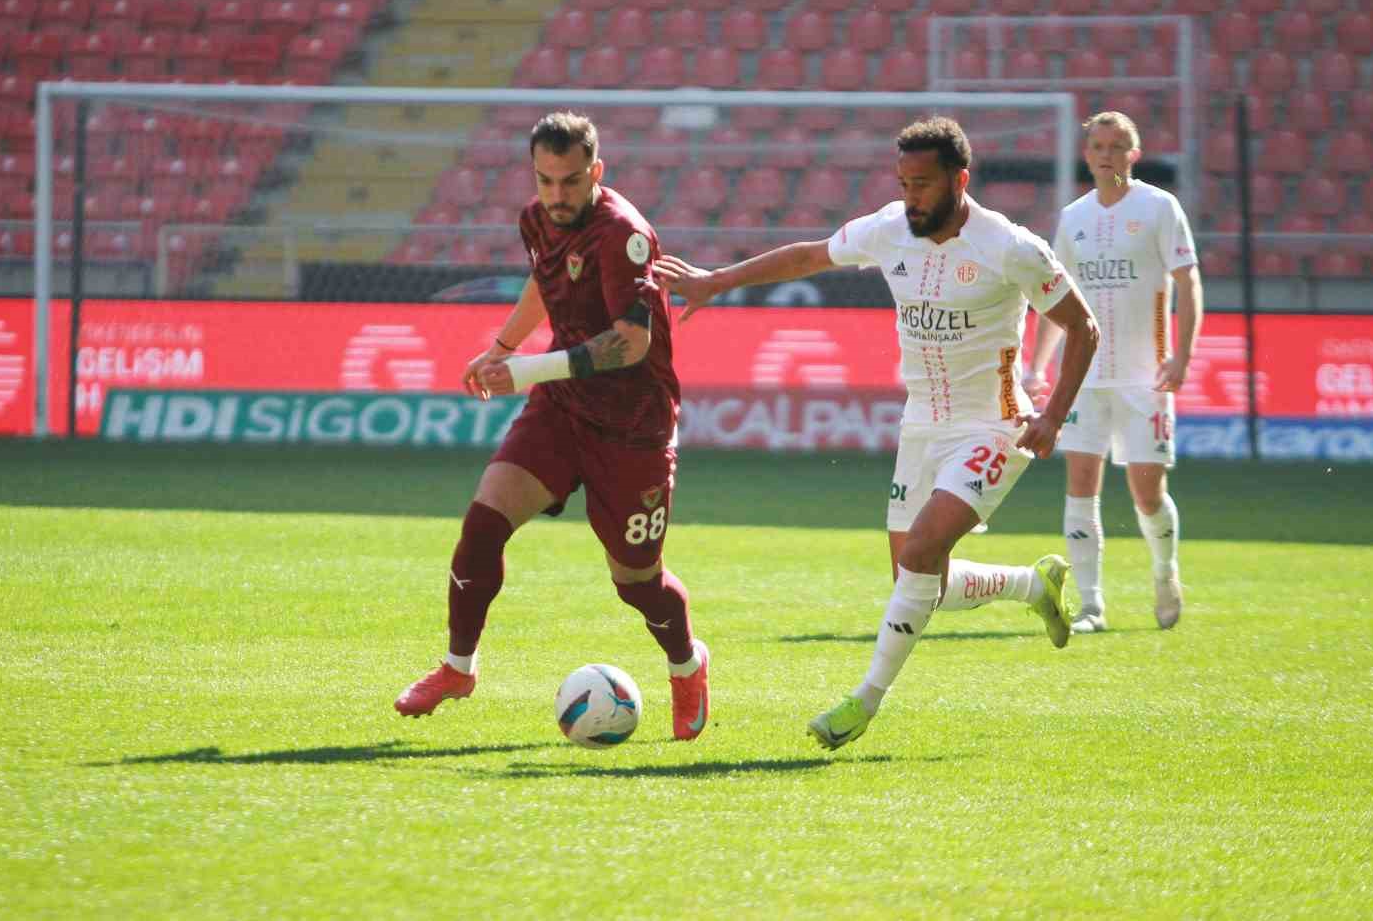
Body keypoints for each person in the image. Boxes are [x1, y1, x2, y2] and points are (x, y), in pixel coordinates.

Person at [655, 116, 1100, 751]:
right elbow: (809, 255)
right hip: (922, 426)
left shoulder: (1010, 247)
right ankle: (1032, 584)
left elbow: (1084, 327)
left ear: (960, 181)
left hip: (995, 426)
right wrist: (717, 280)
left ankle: (864, 701)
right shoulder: (890, 229)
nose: (911, 197)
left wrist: (1052, 415)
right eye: (903, 183)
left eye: (923, 185)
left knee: (920, 554)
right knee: (921, 583)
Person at [394, 112, 711, 740]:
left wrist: (529, 369)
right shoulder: (536, 220)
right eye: (545, 180)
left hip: (634, 428)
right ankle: (458, 668)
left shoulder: (623, 235)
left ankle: (687, 666)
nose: (557, 195)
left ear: (596, 172)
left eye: (570, 181)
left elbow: (632, 343)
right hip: (563, 409)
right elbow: (545, 282)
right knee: (483, 526)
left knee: (636, 583)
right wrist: (503, 347)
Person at [1025, 111, 1200, 633]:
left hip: (1146, 377)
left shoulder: (1159, 207)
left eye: (1117, 145)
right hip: (1084, 378)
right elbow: (1056, 299)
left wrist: (1182, 355)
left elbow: (1188, 281)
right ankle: (1092, 606)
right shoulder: (1073, 217)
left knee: (1147, 493)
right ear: (1087, 155)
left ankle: (1165, 573)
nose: (1107, 155)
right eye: (1098, 146)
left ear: (1134, 154)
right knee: (1080, 485)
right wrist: (1039, 365)